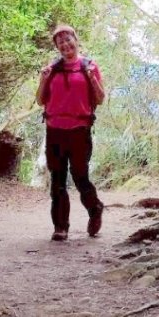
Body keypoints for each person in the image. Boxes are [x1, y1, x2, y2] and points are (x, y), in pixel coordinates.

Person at [36, 24, 105, 242]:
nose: (65, 45)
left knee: (80, 176)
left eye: (68, 39)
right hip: (54, 130)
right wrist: (43, 80)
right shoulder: (52, 69)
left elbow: (101, 99)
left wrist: (92, 78)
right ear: (57, 47)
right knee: (57, 179)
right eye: (60, 42)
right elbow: (40, 100)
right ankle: (60, 227)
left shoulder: (89, 66)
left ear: (76, 39)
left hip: (80, 131)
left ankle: (95, 209)